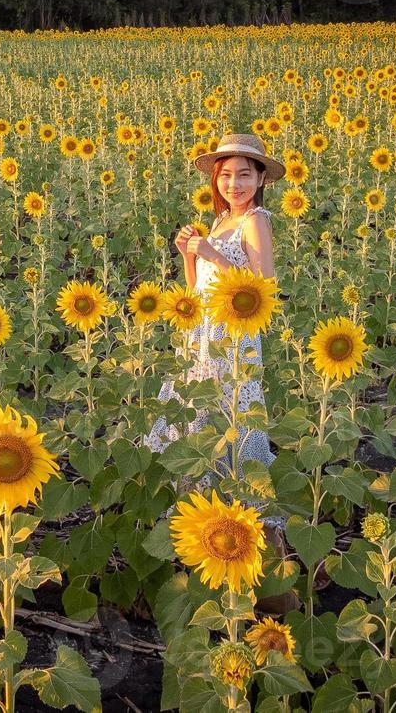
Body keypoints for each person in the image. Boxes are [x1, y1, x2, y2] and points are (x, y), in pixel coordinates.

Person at [144, 132, 298, 614]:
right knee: (200, 422)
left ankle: (269, 573)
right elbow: (199, 286)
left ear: (260, 180)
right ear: (216, 179)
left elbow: (264, 285)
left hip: (235, 334)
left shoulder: (256, 220)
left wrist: (210, 253)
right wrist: (190, 256)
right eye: (226, 174)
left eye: (244, 174)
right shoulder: (220, 220)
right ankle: (211, 545)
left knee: (238, 425)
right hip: (205, 333)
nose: (234, 182)